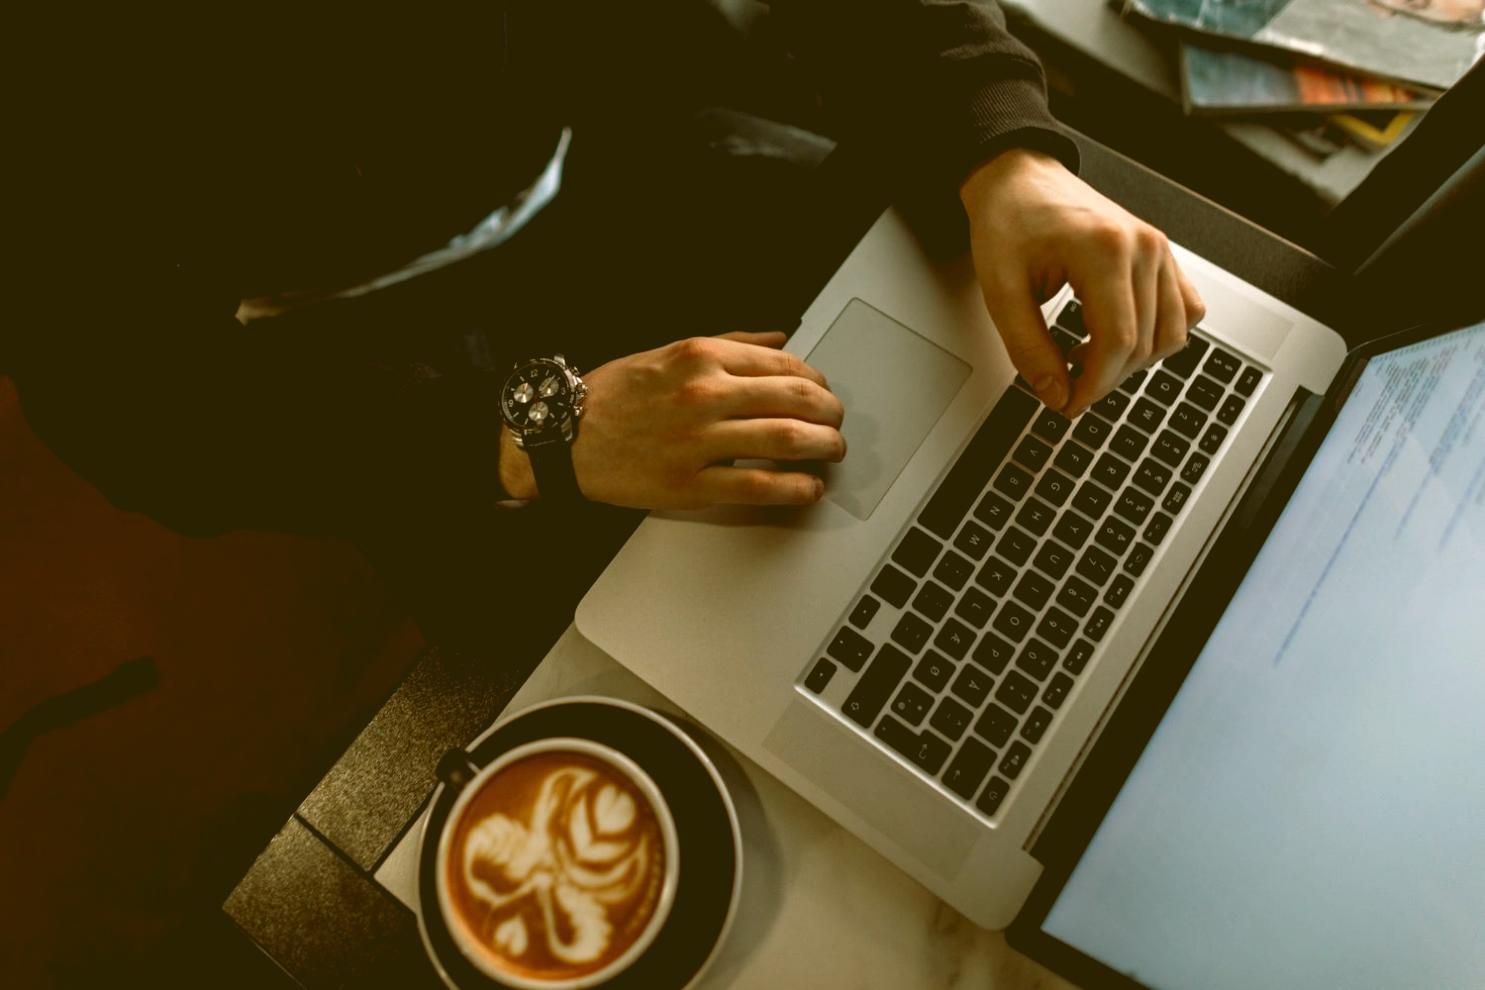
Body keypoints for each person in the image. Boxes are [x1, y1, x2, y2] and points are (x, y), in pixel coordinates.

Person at [10, 2, 1202, 648]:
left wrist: (999, 143)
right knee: (608, 654)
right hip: (353, 358)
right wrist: (533, 438)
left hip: (622, 147)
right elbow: (122, 404)